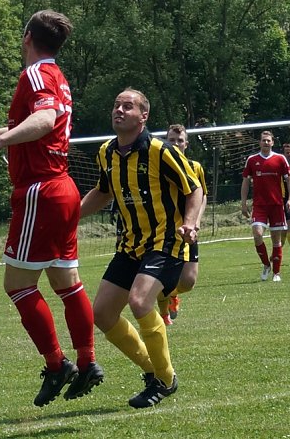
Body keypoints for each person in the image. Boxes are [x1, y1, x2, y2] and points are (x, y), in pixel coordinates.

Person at [0, 10, 103, 407]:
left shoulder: (36, 74)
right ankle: (87, 362)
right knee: (66, 284)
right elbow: (42, 124)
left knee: (18, 285)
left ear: (26, 37)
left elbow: (44, 118)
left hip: (40, 190)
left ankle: (58, 366)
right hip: (63, 187)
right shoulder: (58, 78)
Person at [80, 89, 203, 409]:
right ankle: (153, 371)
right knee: (103, 314)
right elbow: (102, 191)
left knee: (139, 301)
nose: (119, 110)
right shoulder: (107, 152)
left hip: (165, 242)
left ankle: (164, 379)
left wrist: (190, 222)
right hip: (130, 245)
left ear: (143, 116)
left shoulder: (162, 151)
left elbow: (195, 189)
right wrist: (70, 216)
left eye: (128, 106)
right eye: (116, 105)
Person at [156, 124, 208, 325]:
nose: (176, 144)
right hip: (164, 230)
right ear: (165, 142)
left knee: (188, 282)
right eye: (171, 140)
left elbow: (202, 195)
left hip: (188, 229)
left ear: (186, 143)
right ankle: (163, 316)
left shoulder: (195, 167)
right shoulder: (159, 167)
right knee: (164, 278)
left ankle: (171, 295)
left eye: (179, 140)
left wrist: (195, 221)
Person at [240, 131, 290, 282]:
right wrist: (243, 202)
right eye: (264, 140)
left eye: (269, 140)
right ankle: (266, 264)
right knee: (257, 234)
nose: (266, 143)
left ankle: (276, 273)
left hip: (276, 205)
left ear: (272, 142)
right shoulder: (252, 160)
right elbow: (245, 182)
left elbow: (289, 180)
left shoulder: (280, 159)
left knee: (276, 241)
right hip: (259, 206)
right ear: (259, 143)